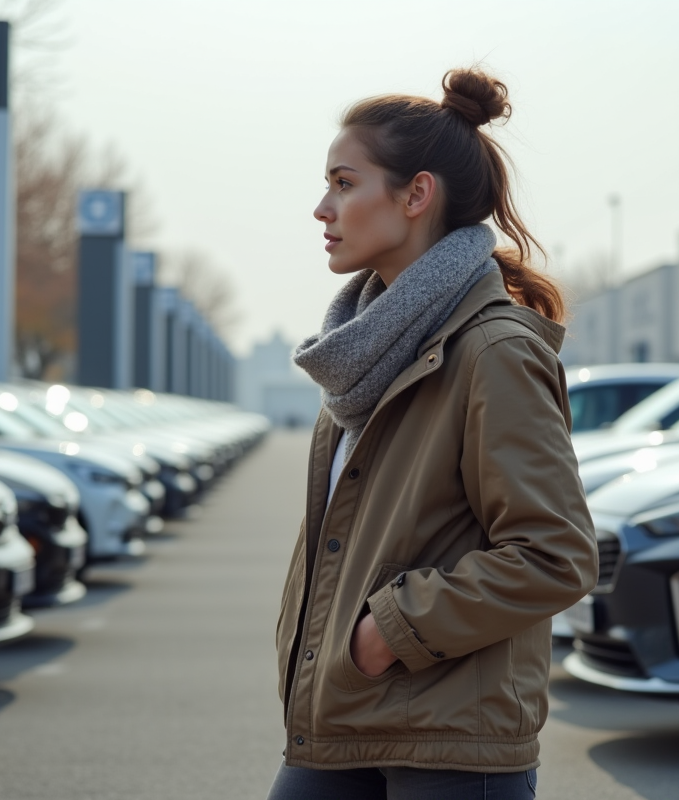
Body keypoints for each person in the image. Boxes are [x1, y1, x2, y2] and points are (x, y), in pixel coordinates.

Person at [267, 68, 599, 800]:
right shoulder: (365, 350)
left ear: (416, 196)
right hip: (341, 722)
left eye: (344, 183)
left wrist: (386, 631)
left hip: (449, 744)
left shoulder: (492, 351)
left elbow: (556, 554)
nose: (322, 208)